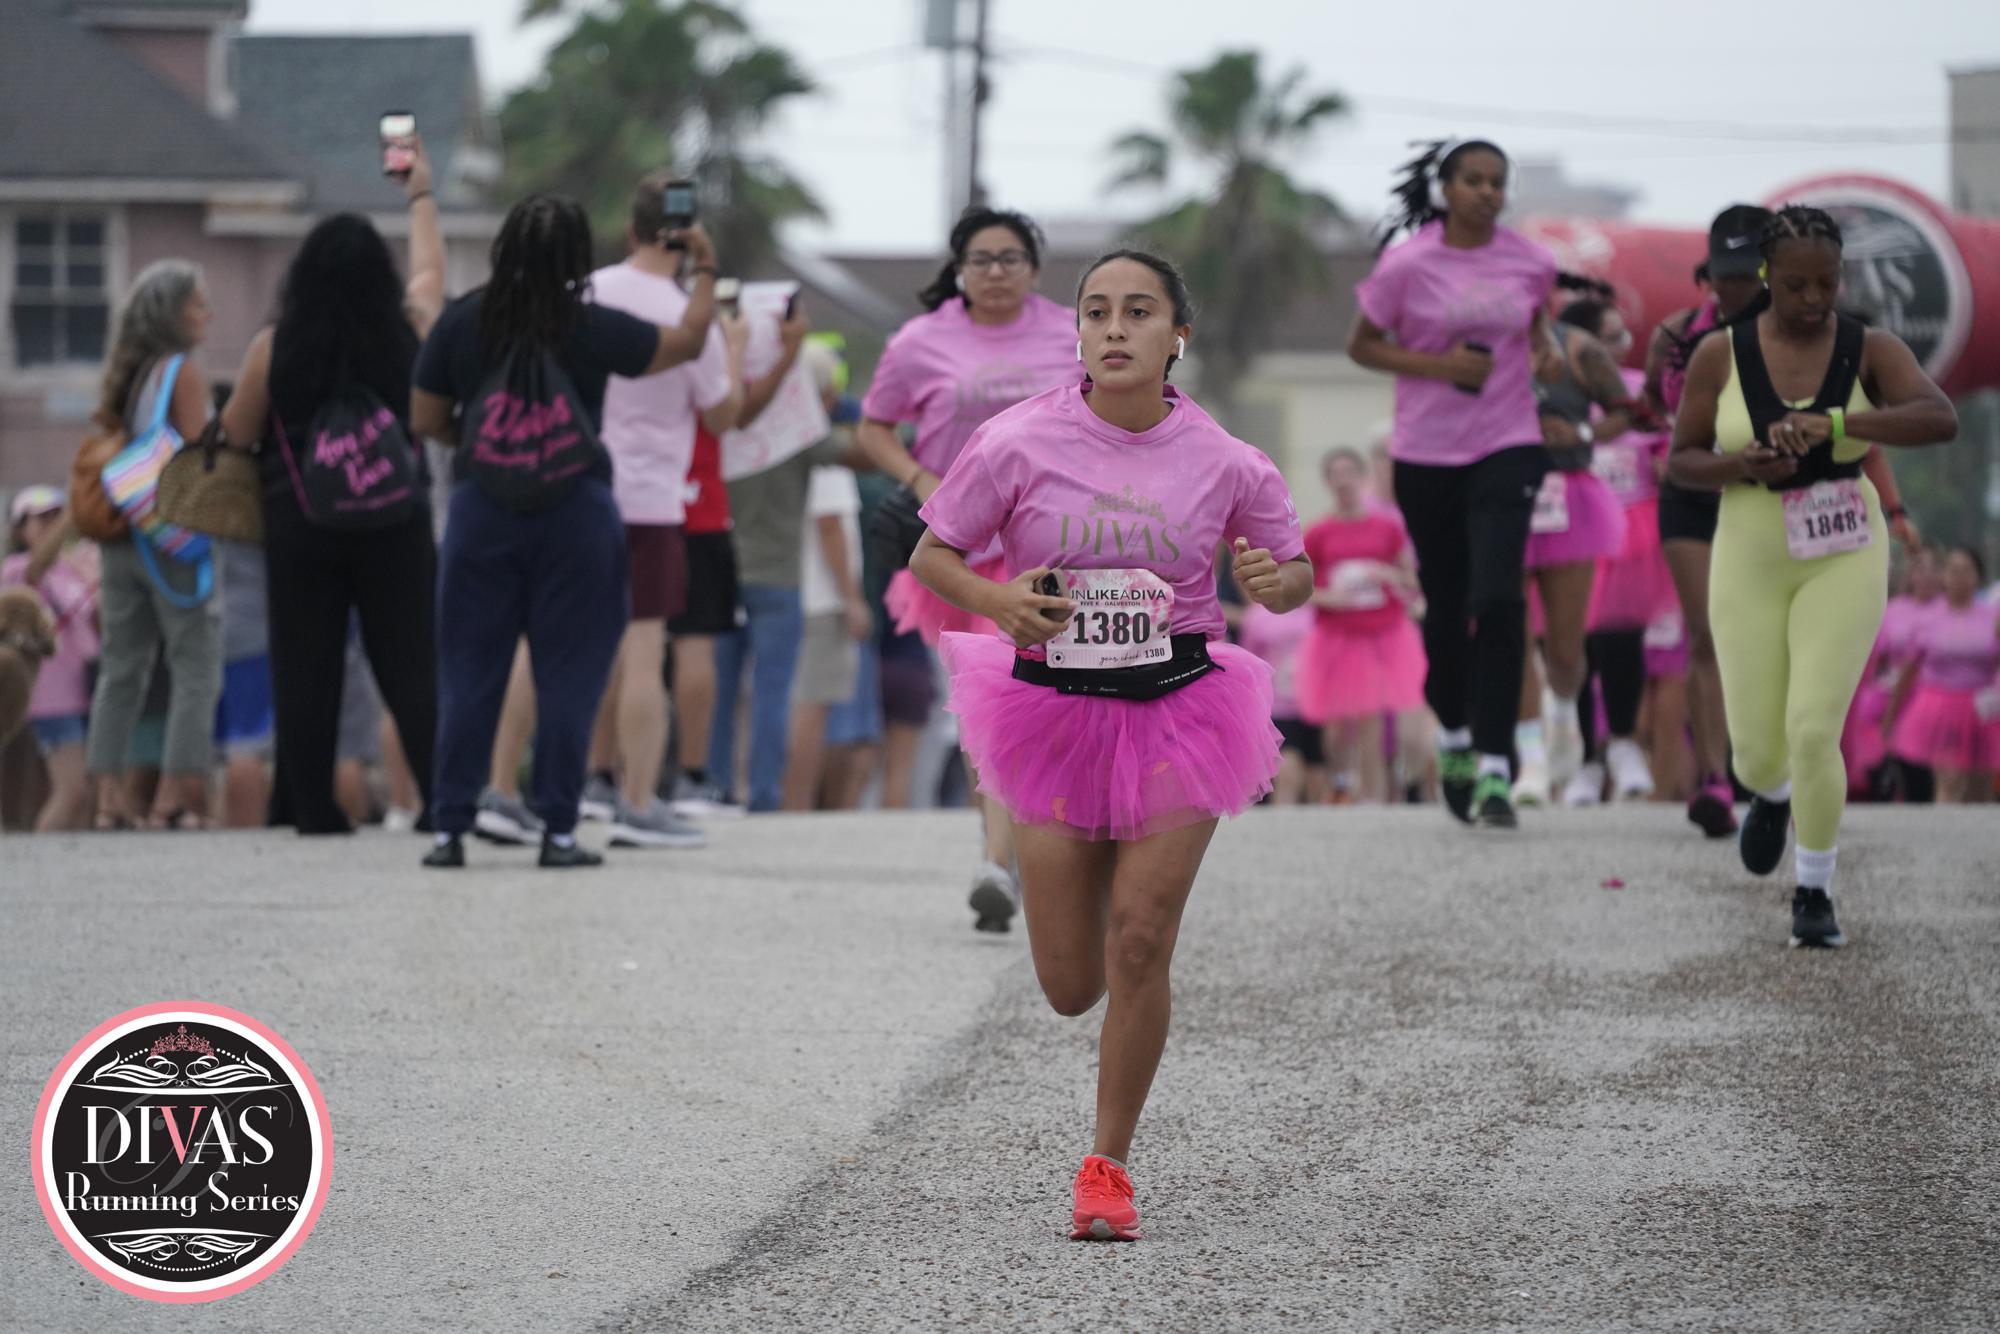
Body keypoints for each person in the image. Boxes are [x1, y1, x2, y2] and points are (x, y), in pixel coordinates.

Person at [910, 249, 1311, 1242]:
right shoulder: (1015, 440)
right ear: (1079, 332)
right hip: (1050, 708)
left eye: (1138, 312)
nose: (1115, 328)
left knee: (1140, 936)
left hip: (1181, 705)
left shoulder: (1227, 459)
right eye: (1096, 312)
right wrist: (1000, 599)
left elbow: (1293, 569)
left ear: (1177, 335)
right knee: (1067, 984)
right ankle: (1074, 919)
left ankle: (1107, 1165)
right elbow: (933, 555)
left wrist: (1276, 582)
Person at [1667, 204, 1957, 948]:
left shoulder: (1870, 347)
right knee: (1756, 750)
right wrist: (1742, 464)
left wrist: (1839, 425)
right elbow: (1682, 461)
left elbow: (1938, 417)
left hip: (1844, 546)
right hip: (1751, 549)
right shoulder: (1720, 354)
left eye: (1827, 283)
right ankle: (1770, 794)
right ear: (1768, 275)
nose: (1812, 299)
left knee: (1813, 726)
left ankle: (1815, 890)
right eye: (1795, 285)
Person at [411, 195, 723, 869]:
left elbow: (425, 417)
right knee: (569, 676)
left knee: (469, 672)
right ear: (577, 256)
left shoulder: (463, 320)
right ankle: (557, 831)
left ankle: (449, 828)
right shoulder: (589, 324)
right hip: (576, 512)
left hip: (482, 512)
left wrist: (487, 442)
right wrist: (703, 268)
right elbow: (688, 342)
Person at [857, 206, 1077, 929]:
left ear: (1034, 269)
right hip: (954, 554)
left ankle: (1039, 851)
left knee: (1042, 710)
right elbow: (874, 426)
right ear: (958, 270)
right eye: (980, 259)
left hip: (1049, 549)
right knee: (993, 703)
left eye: (1011, 258)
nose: (995, 272)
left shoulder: (1070, 333)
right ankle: (996, 860)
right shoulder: (920, 340)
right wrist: (920, 479)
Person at [217, 151, 445, 835]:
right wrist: (421, 198)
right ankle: (442, 796)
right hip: (396, 523)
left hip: (302, 527)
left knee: (305, 664)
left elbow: (237, 435)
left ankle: (310, 806)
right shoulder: (407, 334)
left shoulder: (274, 346)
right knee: (410, 663)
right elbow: (432, 280)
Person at [1347, 138, 1563, 830]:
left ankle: (1498, 762)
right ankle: (1455, 734)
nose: (1488, 192)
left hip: (1508, 442)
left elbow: (1536, 328)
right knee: (1446, 606)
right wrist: (1441, 367)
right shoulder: (1409, 263)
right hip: (1427, 453)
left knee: (1499, 600)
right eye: (1473, 180)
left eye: (1498, 181)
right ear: (1445, 188)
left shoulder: (1530, 261)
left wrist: (1547, 351)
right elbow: (1361, 345)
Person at [580, 171, 757, 850]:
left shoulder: (589, 290)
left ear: (631, 230)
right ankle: (639, 800)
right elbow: (721, 415)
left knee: (575, 645)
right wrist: (734, 355)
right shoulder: (692, 316)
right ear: (689, 239)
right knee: (644, 646)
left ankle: (561, 786)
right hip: (653, 499)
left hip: (581, 487)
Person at [84, 261, 231, 830]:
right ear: (173, 315)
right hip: (170, 541)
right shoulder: (181, 372)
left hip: (121, 535)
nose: (208, 314)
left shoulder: (128, 376)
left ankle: (107, 799)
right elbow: (199, 453)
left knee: (121, 668)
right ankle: (175, 795)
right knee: (196, 664)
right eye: (198, 304)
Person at [1515, 292, 1634, 805]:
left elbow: (1628, 412)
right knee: (1510, 634)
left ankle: (1563, 712)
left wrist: (1582, 431)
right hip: (1503, 497)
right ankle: (1530, 757)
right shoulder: (1480, 344)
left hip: (1568, 496)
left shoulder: (1580, 347)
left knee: (1565, 648)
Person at [1565, 366, 1676, 805]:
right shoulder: (1560, 388)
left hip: (1632, 530)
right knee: (1576, 648)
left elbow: (1671, 441)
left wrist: (1666, 461)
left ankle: (1624, 743)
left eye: (1616, 337)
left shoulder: (1640, 389)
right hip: (1575, 528)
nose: (1603, 351)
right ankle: (1587, 760)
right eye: (1599, 339)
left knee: (1620, 638)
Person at [1295, 447, 1426, 804]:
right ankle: (1341, 781)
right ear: (1327, 482)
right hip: (1337, 636)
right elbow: (1300, 587)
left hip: (1383, 632)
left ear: (1361, 477)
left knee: (1371, 717)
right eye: (1335, 474)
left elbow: (1411, 579)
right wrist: (1329, 597)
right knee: (1336, 726)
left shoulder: (1387, 528)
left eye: (1348, 473)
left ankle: (1373, 797)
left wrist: (1387, 574)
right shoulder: (1318, 532)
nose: (1343, 481)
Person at [784, 385, 872, 812]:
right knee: (811, 705)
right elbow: (830, 525)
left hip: (797, 594)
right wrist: (851, 598)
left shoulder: (782, 445)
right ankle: (796, 804)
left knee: (797, 701)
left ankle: (788, 799)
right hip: (823, 600)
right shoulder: (826, 456)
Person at [2, 487, 98, 830]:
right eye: (41, 517)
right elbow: (38, 564)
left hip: (85, 688)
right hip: (52, 696)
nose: (51, 522)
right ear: (19, 529)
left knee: (85, 796)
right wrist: (75, 511)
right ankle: (41, 853)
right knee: (72, 791)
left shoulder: (71, 568)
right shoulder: (16, 569)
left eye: (56, 514)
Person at [666, 422, 747, 819]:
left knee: (628, 644)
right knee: (695, 641)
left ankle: (607, 780)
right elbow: (726, 414)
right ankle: (692, 776)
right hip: (694, 503)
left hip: (629, 498)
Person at [1884, 546, 2000, 804]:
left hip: (1983, 708)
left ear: (1978, 577)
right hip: (1941, 707)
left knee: (1981, 789)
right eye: (1953, 570)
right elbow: (1909, 671)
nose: (1959, 577)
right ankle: (1945, 824)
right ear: (1944, 576)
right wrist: (1891, 715)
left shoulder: (1992, 617)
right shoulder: (1929, 619)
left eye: (1966, 571)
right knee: (1950, 780)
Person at [1850, 545, 1942, 801]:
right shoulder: (1893, 609)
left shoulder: (1947, 610)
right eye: (1920, 568)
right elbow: (1878, 657)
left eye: (1933, 569)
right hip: (1889, 695)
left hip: (1930, 696)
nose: (1926, 575)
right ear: (1911, 574)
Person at [1236, 599, 1324, 805]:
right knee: (1287, 767)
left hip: (1315, 706)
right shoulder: (1257, 616)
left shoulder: (1316, 611)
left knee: (1317, 773)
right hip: (1277, 707)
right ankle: (1284, 817)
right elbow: (1248, 661)